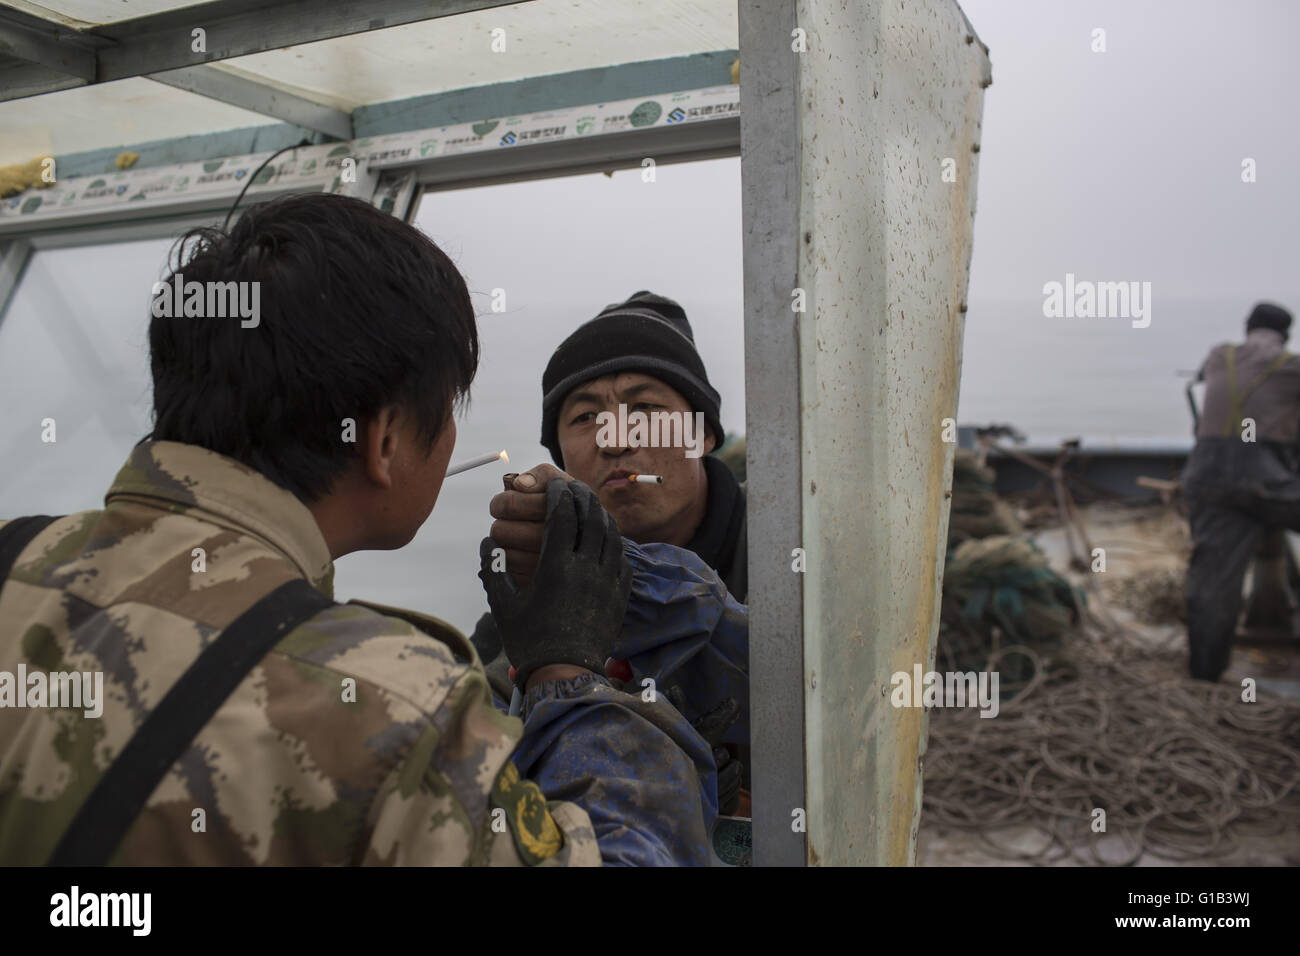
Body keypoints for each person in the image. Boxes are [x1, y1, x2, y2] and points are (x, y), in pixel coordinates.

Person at [0, 194, 718, 866]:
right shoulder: (400, 711)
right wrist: (567, 675)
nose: (617, 439)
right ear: (384, 442)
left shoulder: (14, 562)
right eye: (585, 415)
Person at [472, 291, 750, 812]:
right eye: (583, 418)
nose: (615, 439)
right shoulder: (542, 584)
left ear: (705, 432)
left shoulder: (789, 552)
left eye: (645, 408)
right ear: (560, 456)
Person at [1184, 301, 1300, 681]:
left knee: (1212, 583)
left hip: (1207, 477)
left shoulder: (1220, 356)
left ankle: (1204, 677)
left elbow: (1202, 380)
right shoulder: (1290, 366)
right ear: (1285, 335)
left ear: (1247, 327)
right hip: (1266, 483)